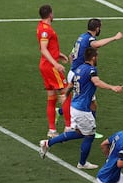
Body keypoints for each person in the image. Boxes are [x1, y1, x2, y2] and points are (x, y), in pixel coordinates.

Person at [39, 47, 123, 169]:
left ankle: (47, 143)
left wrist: (65, 95)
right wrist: (113, 87)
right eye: (97, 56)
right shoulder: (91, 70)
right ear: (93, 57)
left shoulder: (79, 69)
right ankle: (82, 163)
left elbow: (71, 84)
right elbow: (97, 82)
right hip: (82, 109)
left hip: (75, 106)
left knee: (79, 133)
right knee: (90, 135)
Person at [56, 18, 123, 139]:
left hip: (74, 72)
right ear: (97, 28)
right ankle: (85, 128)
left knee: (81, 100)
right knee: (91, 104)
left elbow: (72, 55)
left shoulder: (81, 37)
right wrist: (114, 38)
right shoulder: (89, 39)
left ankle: (62, 113)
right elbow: (96, 45)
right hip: (80, 74)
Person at [37, 4, 72, 138]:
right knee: (66, 93)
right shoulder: (46, 30)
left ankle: (52, 130)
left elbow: (48, 48)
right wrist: (55, 64)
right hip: (50, 67)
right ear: (50, 14)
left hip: (45, 65)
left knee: (51, 97)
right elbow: (43, 49)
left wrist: (58, 54)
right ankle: (69, 127)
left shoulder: (41, 26)